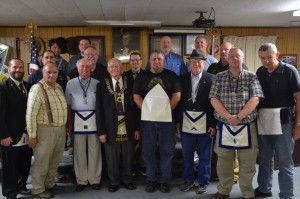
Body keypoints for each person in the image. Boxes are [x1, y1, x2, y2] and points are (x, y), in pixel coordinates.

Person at [209, 48, 264, 199]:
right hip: (224, 126)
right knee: (223, 161)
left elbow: (255, 99)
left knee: (248, 162)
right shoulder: (219, 77)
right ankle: (223, 190)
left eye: (237, 56)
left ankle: (247, 192)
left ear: (243, 59)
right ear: (227, 58)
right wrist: (228, 117)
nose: (234, 58)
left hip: (246, 125)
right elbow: (213, 99)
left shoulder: (251, 77)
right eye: (231, 56)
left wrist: (238, 117)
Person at [255, 43, 300, 199]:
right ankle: (264, 188)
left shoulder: (289, 71)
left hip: (284, 121)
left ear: (277, 55)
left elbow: (299, 99)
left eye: (269, 57)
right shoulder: (260, 72)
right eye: (262, 58)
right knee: (265, 158)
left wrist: (298, 124)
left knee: (285, 162)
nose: (266, 61)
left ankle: (286, 195)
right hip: (263, 119)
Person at [133, 50, 182, 193]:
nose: (157, 62)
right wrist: (149, 111)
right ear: (150, 61)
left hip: (166, 120)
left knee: (166, 150)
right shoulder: (142, 76)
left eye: (159, 59)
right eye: (154, 59)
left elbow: (177, 96)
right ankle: (151, 179)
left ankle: (164, 180)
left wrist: (164, 112)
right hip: (147, 120)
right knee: (148, 150)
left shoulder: (171, 76)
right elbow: (136, 96)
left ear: (164, 61)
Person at [96, 58, 140, 192]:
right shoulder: (102, 85)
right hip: (110, 127)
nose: (114, 69)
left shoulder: (130, 82)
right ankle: (114, 181)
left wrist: (137, 128)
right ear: (108, 69)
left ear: (121, 68)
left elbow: (137, 108)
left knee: (128, 156)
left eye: (117, 66)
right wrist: (101, 131)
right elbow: (99, 110)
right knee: (112, 157)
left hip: (128, 125)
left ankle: (127, 180)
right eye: (111, 67)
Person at [207, 41, 248, 183]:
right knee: (217, 146)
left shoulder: (245, 71)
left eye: (227, 50)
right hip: (216, 111)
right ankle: (214, 172)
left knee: (235, 147)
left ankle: (235, 175)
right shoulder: (213, 67)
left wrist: (236, 116)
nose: (224, 52)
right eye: (223, 50)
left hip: (237, 115)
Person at [177, 50, 216, 194]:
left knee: (205, 154)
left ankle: (203, 181)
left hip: (205, 122)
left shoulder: (212, 78)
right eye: (193, 62)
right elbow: (178, 102)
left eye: (199, 62)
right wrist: (177, 121)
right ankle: (188, 179)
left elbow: (215, 105)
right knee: (187, 153)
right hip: (186, 121)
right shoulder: (181, 79)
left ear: (204, 63)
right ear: (189, 64)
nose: (196, 64)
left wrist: (213, 124)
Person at [26, 62, 68, 198]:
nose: (52, 75)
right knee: (42, 160)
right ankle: (38, 189)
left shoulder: (59, 87)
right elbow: (30, 114)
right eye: (49, 72)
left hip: (60, 130)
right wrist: (32, 135)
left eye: (54, 72)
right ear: (43, 73)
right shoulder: (37, 89)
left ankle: (49, 184)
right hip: (45, 130)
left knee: (55, 160)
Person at [65, 58, 102, 192]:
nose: (84, 69)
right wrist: (69, 125)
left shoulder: (98, 83)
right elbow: (68, 106)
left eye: (87, 67)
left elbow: (101, 106)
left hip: (94, 120)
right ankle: (81, 180)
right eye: (82, 67)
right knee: (79, 151)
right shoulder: (70, 84)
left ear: (91, 68)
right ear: (77, 69)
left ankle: (94, 179)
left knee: (94, 150)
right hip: (77, 120)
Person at [0, 58, 33, 199]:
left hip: (27, 133)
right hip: (10, 135)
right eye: (15, 67)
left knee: (24, 163)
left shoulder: (28, 86)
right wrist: (3, 135)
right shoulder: (3, 87)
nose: (18, 70)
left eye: (20, 67)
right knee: (10, 167)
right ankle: (10, 193)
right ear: (9, 69)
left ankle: (21, 186)